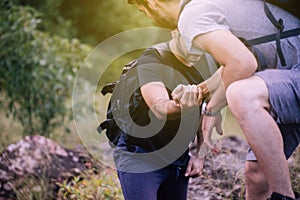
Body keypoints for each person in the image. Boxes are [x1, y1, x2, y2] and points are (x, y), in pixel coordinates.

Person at [126, 0, 300, 199]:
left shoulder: (192, 15)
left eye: (144, 11)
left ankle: (283, 196)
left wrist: (212, 109)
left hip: (292, 76)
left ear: (152, 3)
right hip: (284, 81)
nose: (149, 18)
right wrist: (199, 92)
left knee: (240, 93)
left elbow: (242, 64)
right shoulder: (212, 5)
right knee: (257, 175)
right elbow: (234, 65)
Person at [113, 29, 219, 200]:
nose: (198, 49)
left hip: (178, 161)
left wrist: (200, 155)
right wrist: (184, 105)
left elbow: (207, 110)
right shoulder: (152, 59)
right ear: (175, 32)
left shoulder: (206, 62)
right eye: (191, 41)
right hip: (141, 157)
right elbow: (159, 108)